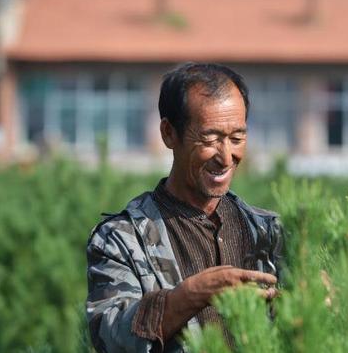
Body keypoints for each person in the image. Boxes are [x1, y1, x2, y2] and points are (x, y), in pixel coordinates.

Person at [86, 63, 283, 352]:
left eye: (237, 138)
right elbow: (110, 335)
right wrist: (193, 294)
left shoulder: (271, 232)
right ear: (169, 133)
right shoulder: (121, 240)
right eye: (210, 139)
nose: (226, 157)